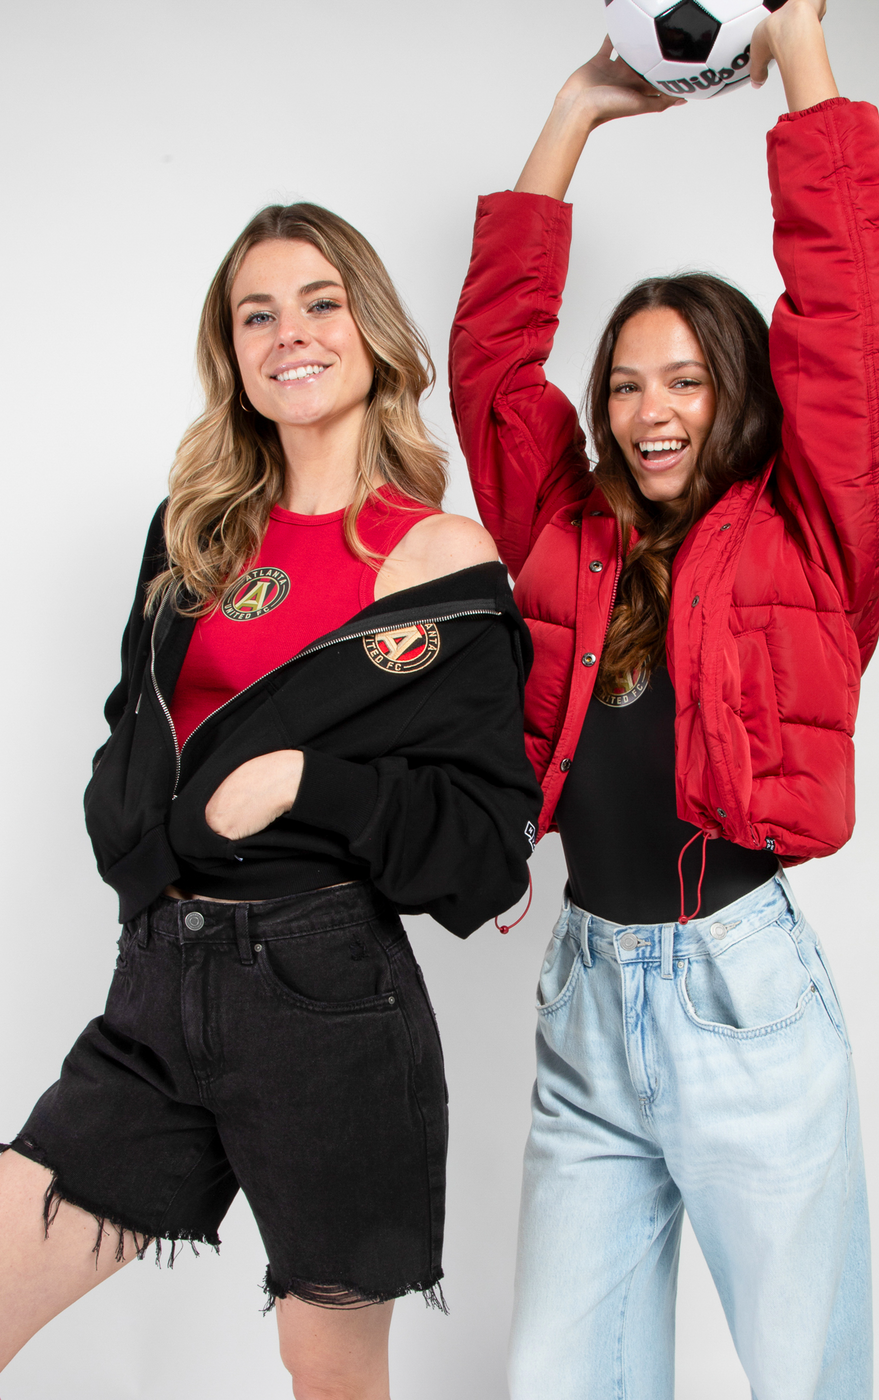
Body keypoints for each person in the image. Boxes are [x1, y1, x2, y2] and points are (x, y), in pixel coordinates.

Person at [449, 2, 879, 1396]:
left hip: (742, 1002)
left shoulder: (811, 529)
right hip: (585, 1002)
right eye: (623, 386)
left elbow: (855, 322)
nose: (649, 412)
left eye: (686, 381)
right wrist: (573, 115)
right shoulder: (565, 533)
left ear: (740, 393)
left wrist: (801, 50)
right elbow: (490, 372)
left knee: (804, 1378)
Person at [0, 200, 541, 1399]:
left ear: (372, 332)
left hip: (328, 1001)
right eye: (257, 315)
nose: (288, 333)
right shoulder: (192, 531)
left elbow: (487, 843)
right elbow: (134, 722)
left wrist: (310, 782)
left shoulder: (440, 560)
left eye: (319, 303)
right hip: (158, 981)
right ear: (232, 350)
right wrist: (136, 837)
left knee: (326, 1371)